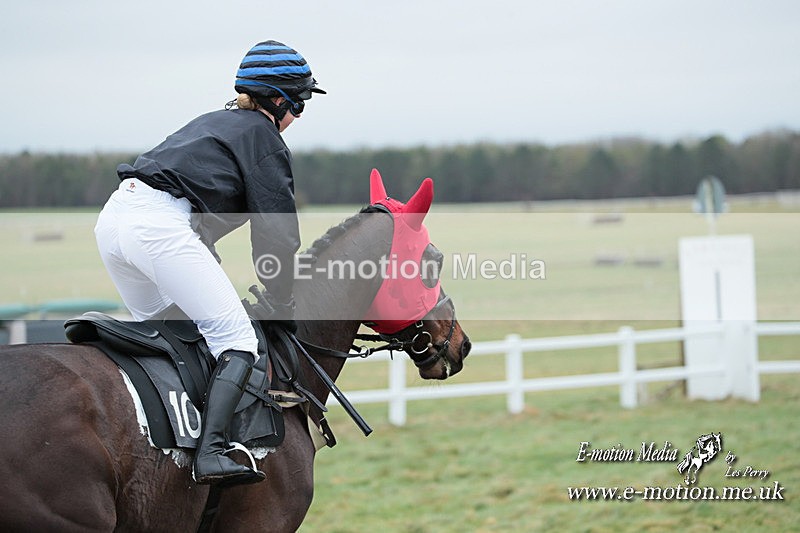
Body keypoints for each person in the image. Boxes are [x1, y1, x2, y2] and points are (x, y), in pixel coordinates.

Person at [94, 40, 324, 486]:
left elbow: (199, 229)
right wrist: (279, 305)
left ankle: (164, 439)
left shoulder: (212, 122)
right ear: (280, 100)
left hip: (114, 221)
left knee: (174, 336)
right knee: (238, 340)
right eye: (302, 102)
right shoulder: (264, 137)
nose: (299, 115)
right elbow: (276, 233)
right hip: (157, 228)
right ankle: (211, 452)